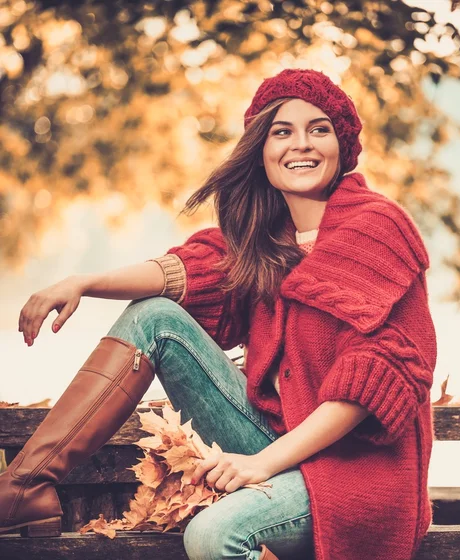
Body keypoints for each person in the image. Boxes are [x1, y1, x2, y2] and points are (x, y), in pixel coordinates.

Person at [0, 69, 437, 560]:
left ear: (343, 147)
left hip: (354, 476)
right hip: (273, 441)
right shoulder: (266, 240)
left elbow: (373, 384)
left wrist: (262, 465)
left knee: (211, 536)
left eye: (319, 129)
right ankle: (24, 486)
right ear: (262, 150)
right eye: (282, 131)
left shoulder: (376, 228)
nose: (302, 144)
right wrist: (83, 282)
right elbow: (187, 272)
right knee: (155, 316)